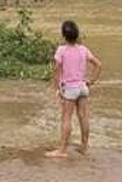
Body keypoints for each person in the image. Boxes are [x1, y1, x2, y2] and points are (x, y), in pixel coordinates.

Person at [46, 20, 102, 159]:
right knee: (83, 117)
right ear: (76, 35)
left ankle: (62, 150)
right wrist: (91, 81)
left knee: (66, 118)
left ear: (64, 35)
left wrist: (58, 87)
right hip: (82, 87)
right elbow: (98, 65)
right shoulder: (83, 49)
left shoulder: (61, 50)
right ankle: (84, 146)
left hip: (69, 89)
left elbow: (56, 71)